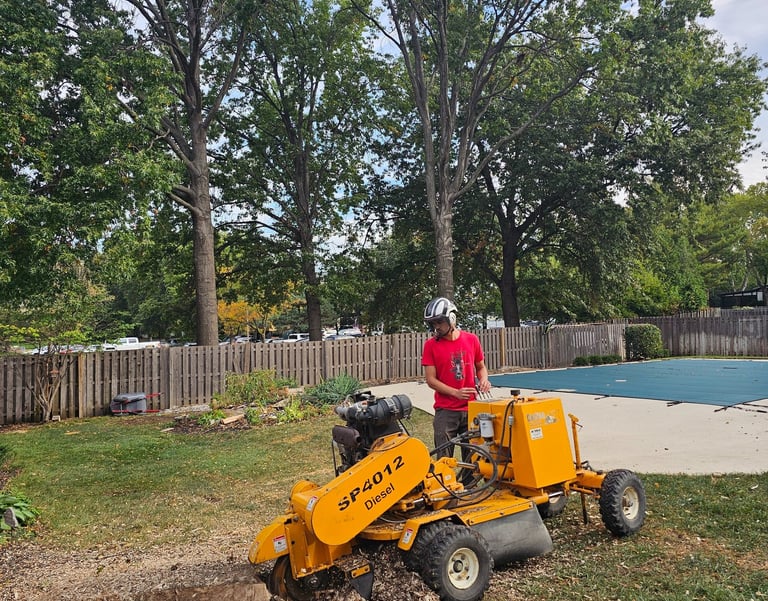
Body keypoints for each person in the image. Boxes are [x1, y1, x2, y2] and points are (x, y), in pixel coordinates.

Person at [421, 296, 491, 459]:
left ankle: (470, 485)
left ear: (451, 318)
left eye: (439, 322)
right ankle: (445, 484)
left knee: (472, 457)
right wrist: (455, 393)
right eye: (433, 323)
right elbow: (431, 380)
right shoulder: (430, 346)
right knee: (444, 458)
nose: (436, 327)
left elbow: (481, 367)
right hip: (446, 410)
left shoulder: (471, 340)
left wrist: (484, 380)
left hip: (471, 408)